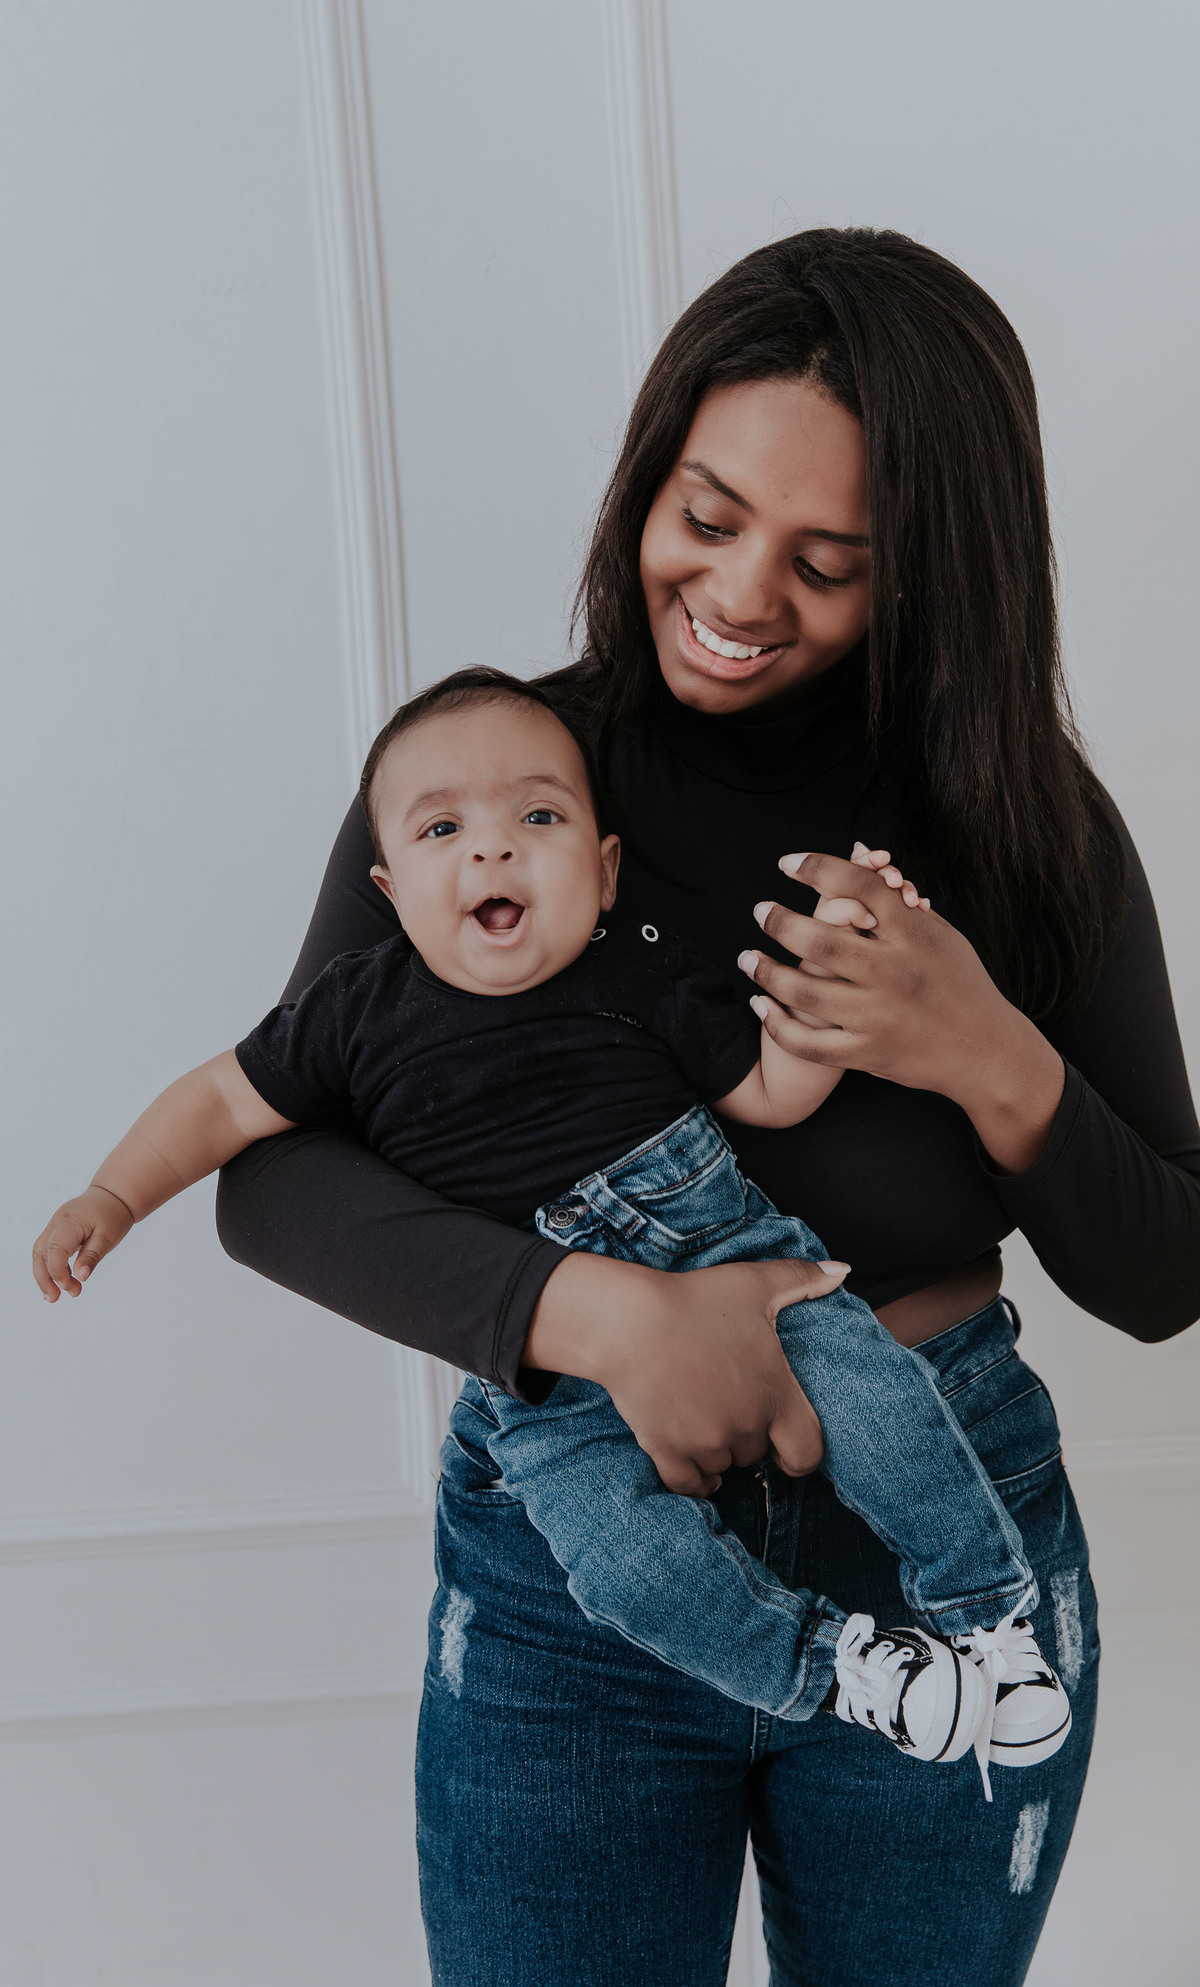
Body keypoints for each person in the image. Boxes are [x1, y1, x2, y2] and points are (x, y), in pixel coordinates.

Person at [214, 230, 1200, 1987]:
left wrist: (984, 1044)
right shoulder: (502, 785)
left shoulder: (1025, 826)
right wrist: (602, 1315)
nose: (744, 593)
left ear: (931, 576)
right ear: (647, 472)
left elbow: (1166, 1270)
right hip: (577, 1549)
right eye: (709, 511)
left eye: (830, 562)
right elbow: (272, 1174)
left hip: (947, 1546)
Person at [32, 670, 1073, 1801]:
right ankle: (854, 1670)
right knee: (624, 1565)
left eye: (538, 817)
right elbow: (223, 1108)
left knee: (883, 1398)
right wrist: (113, 1194)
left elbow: (773, 1091)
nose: (492, 852)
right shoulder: (349, 1008)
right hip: (547, 1374)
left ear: (604, 865)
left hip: (724, 1253)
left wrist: (831, 981)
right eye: (444, 828)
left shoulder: (642, 970)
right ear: (388, 885)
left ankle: (993, 1624)